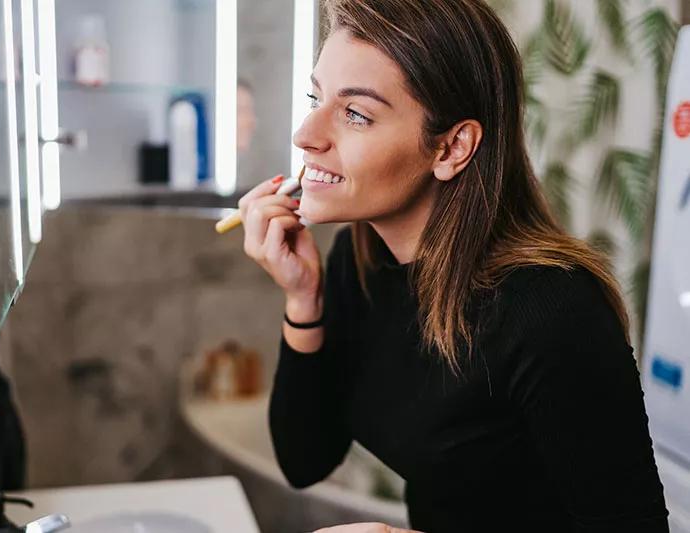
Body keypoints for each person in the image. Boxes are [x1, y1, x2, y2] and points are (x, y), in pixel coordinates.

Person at [237, 0, 668, 531]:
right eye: (316, 98)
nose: (305, 134)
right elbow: (305, 461)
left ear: (452, 147)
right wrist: (303, 298)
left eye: (356, 114)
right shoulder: (361, 258)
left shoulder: (553, 309)